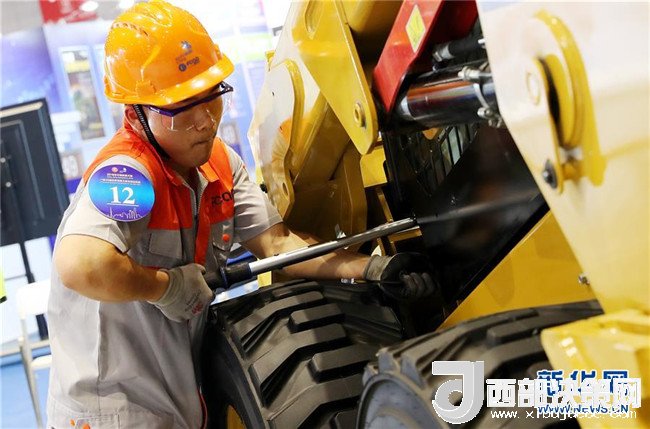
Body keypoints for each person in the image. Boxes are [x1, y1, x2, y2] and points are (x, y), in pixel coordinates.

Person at [46, 1, 435, 428]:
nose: (204, 120)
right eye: (181, 106)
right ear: (137, 113)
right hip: (109, 412)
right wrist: (165, 287)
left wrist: (373, 269)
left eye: (211, 95)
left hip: (175, 399)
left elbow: (279, 245)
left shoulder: (218, 163)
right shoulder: (128, 174)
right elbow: (81, 265)